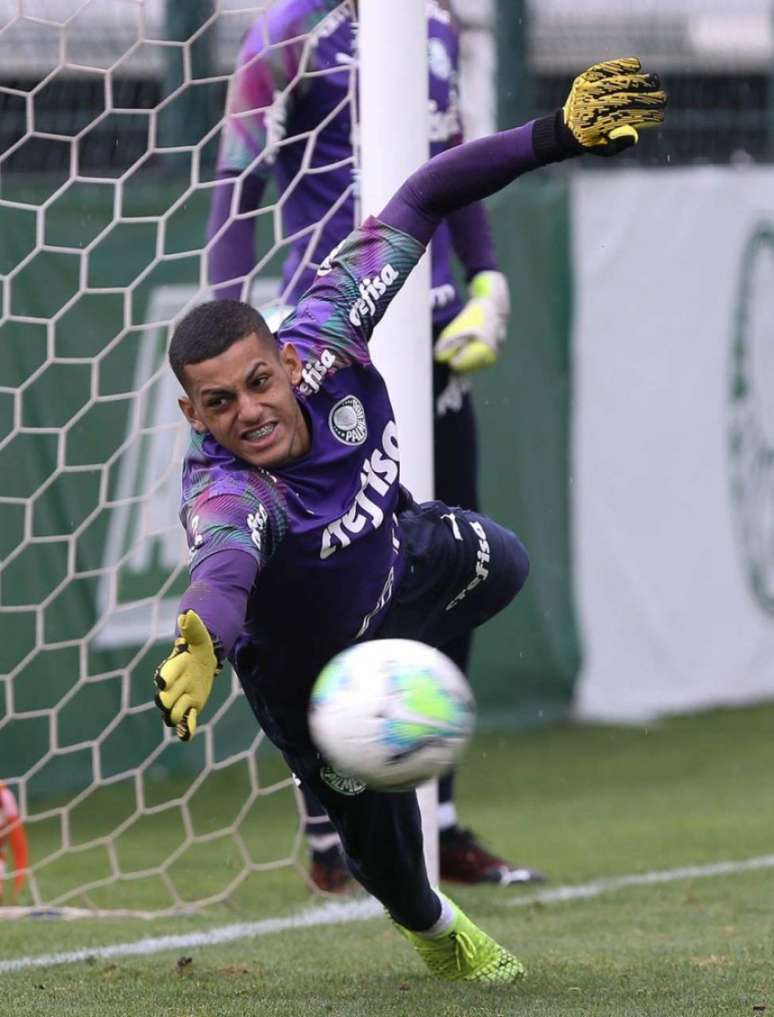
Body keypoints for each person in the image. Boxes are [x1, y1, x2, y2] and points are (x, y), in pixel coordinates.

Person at [156, 58, 666, 982]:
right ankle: (439, 933)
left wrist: (553, 135)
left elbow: (425, 191)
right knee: (389, 868)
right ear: (195, 417)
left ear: (284, 355)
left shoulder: (330, 326)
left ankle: (392, 660)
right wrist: (202, 641)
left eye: (258, 382)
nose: (249, 412)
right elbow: (223, 569)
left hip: (398, 564)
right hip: (309, 683)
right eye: (219, 403)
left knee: (501, 561)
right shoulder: (228, 492)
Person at [206, 0, 535, 892]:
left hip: (430, 337)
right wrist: (236, 327)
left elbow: (449, 166)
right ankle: (330, 786)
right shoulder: (286, 31)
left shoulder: (431, 22)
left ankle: (441, 809)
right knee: (325, 577)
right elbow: (235, 181)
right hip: (324, 351)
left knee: (444, 559)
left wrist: (486, 283)